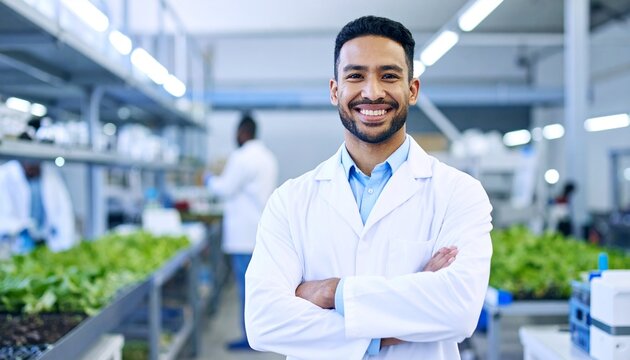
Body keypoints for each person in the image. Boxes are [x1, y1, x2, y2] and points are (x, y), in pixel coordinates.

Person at [244, 16, 493, 359]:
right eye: (355, 75)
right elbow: (264, 321)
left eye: (389, 75)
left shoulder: (459, 193)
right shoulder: (289, 201)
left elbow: (459, 310)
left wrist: (331, 292)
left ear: (412, 89)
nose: (372, 91)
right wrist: (396, 319)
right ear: (335, 90)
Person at [205, 113, 278, 350]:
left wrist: (208, 180)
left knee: (247, 291)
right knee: (258, 289)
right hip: (259, 231)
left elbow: (225, 188)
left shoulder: (242, 157)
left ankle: (250, 339)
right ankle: (260, 335)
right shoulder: (267, 157)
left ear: (243, 132)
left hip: (243, 236)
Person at [0, 159, 77, 253]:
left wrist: (66, 241)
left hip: (46, 240)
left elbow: (63, 211)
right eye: (29, 165)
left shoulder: (51, 175)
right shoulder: (5, 175)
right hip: (15, 241)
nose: (32, 168)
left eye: (35, 165)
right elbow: (4, 214)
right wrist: (20, 228)